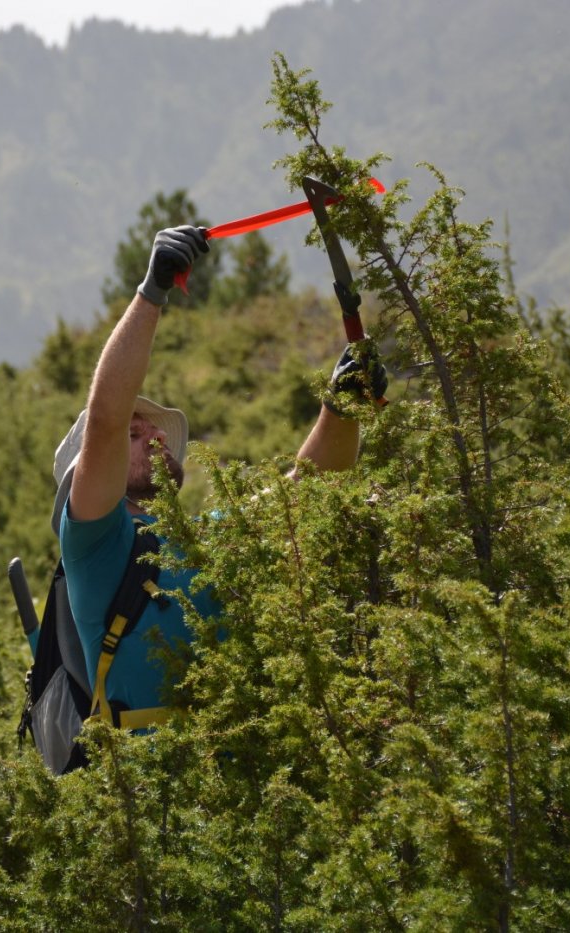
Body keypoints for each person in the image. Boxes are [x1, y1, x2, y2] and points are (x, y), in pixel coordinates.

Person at [52, 225, 385, 725]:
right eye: (134, 433)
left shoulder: (207, 537)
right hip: (155, 795)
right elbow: (105, 419)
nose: (152, 435)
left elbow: (311, 486)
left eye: (152, 428)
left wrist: (341, 408)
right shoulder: (94, 548)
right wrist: (151, 293)